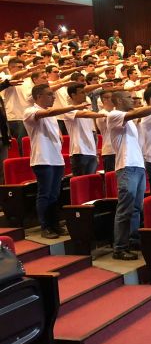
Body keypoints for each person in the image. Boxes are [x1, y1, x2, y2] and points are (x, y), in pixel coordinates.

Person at [107, 90, 151, 260]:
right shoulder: (114, 114)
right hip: (126, 166)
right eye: (129, 97)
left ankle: (133, 239)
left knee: (136, 208)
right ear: (118, 100)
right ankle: (120, 247)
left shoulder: (131, 120)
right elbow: (139, 113)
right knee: (125, 209)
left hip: (137, 165)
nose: (133, 100)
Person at [24, 84, 87, 238]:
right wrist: (72, 108)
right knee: (45, 194)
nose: (53, 97)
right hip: (42, 159)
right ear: (39, 97)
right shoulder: (30, 111)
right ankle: (45, 226)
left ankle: (54, 224)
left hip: (56, 159)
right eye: (49, 95)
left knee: (54, 194)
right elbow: (47, 113)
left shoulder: (50, 115)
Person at [63, 83, 106, 176]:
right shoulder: (68, 110)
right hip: (79, 151)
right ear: (73, 95)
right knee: (80, 182)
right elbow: (84, 115)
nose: (85, 95)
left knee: (91, 182)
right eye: (82, 92)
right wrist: (103, 114)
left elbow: (93, 132)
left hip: (91, 151)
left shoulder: (87, 110)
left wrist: (95, 151)